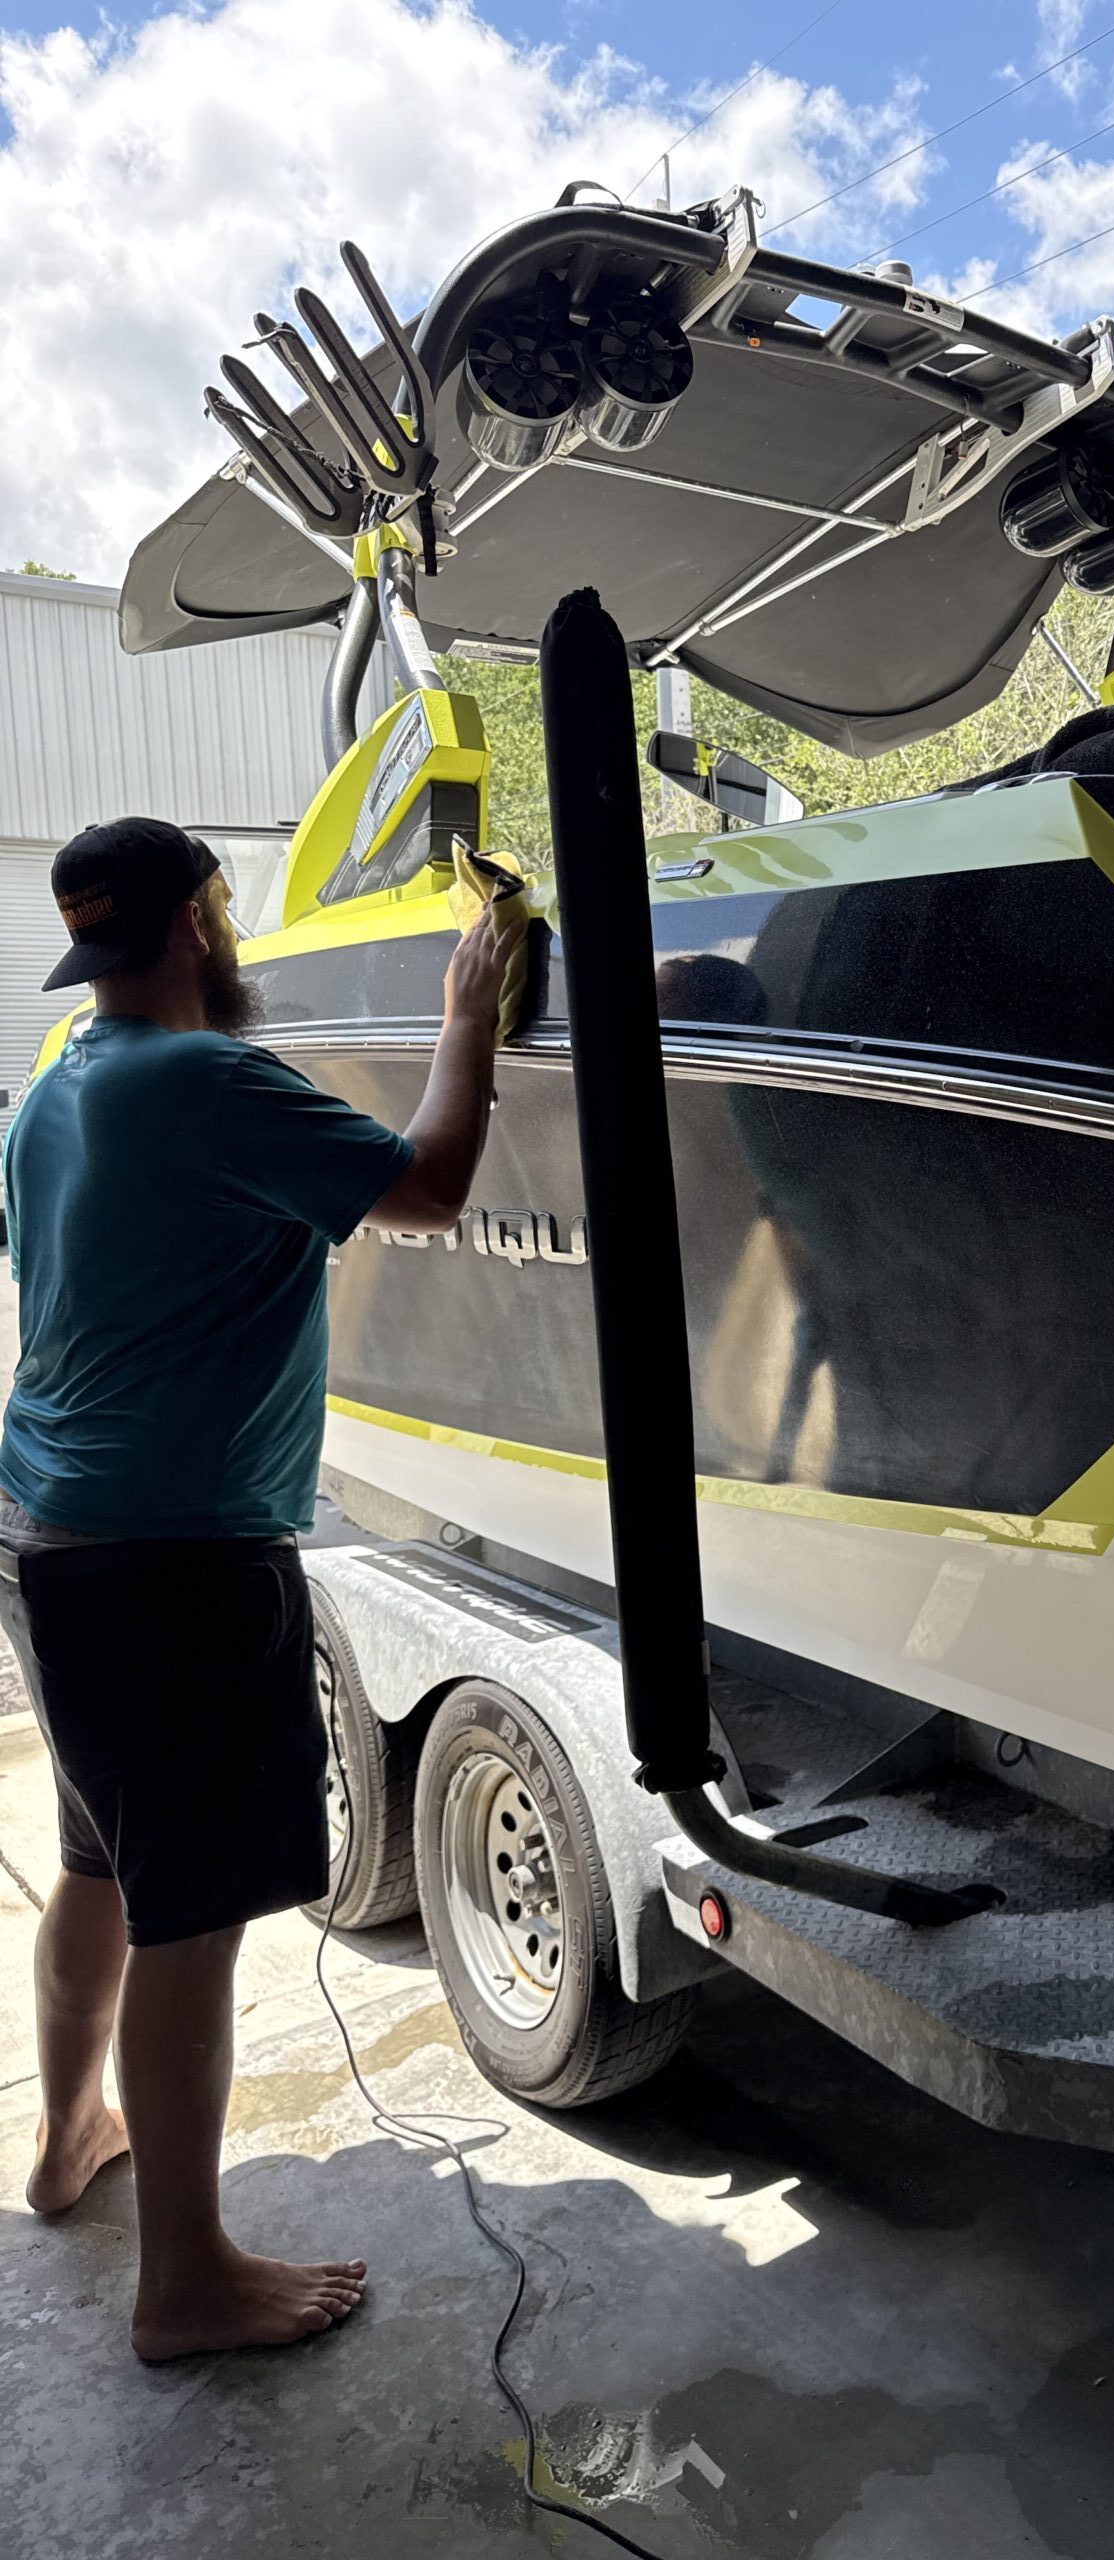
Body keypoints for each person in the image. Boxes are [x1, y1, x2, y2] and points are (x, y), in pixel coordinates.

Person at [0, 815, 520, 2362]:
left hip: (47, 1535)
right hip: (176, 1556)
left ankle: (64, 2134)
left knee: (103, 1861)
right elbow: (426, 1189)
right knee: (193, 1923)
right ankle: (186, 2282)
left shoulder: (55, 1088)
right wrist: (468, 1015)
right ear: (201, 927)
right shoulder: (210, 1079)